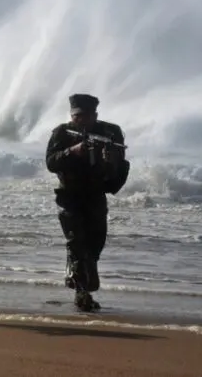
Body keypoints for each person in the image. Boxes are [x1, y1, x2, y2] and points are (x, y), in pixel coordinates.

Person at [45, 93, 130, 312]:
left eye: (87, 116)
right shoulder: (62, 133)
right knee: (77, 243)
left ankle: (82, 286)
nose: (82, 120)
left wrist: (112, 160)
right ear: (72, 115)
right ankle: (82, 293)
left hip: (95, 196)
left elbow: (120, 165)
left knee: (95, 245)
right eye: (78, 116)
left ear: (95, 115)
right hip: (69, 196)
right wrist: (71, 151)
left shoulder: (109, 132)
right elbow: (51, 162)